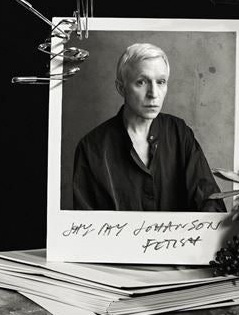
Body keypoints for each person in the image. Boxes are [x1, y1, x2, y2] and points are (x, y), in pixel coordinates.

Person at [72, 43, 226, 212]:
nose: (153, 93)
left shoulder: (180, 133)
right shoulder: (91, 147)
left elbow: (210, 201)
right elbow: (84, 222)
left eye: (161, 82)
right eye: (141, 82)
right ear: (121, 88)